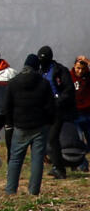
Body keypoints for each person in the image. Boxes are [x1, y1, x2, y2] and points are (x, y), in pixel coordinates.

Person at [4, 54, 54, 195]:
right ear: (36, 67)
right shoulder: (44, 83)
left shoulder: (13, 82)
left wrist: (9, 123)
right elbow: (50, 106)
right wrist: (49, 122)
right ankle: (33, 192)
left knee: (15, 159)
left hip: (20, 126)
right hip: (39, 126)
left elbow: (7, 106)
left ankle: (10, 190)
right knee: (37, 160)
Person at [37, 45, 76, 179]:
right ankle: (56, 165)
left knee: (53, 139)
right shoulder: (40, 72)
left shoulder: (60, 71)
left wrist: (57, 101)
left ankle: (60, 168)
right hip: (44, 111)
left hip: (58, 110)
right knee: (48, 140)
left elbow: (69, 90)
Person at [72, 56, 90, 152]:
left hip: (88, 112)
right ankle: (82, 165)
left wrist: (88, 62)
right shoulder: (69, 76)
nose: (80, 71)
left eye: (83, 69)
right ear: (74, 66)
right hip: (76, 114)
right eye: (78, 68)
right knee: (78, 141)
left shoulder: (88, 76)